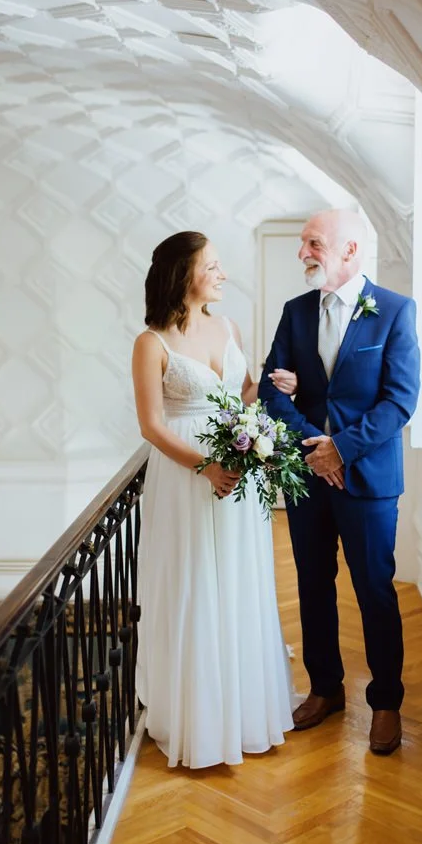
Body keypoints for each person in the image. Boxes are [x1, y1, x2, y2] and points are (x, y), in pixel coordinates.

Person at [132, 231, 298, 769]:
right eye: (213, 266)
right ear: (184, 274)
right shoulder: (151, 343)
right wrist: (207, 467)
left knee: (237, 579)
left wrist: (277, 390)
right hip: (186, 480)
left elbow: (242, 392)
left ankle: (244, 706)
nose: (223, 274)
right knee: (194, 582)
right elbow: (152, 427)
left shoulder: (228, 326)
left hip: (237, 477)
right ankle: (197, 717)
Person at [258, 209, 420, 755]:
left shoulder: (395, 311)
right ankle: (325, 689)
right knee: (312, 582)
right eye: (303, 242)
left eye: (313, 242)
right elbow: (270, 389)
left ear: (350, 250)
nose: (303, 252)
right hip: (308, 475)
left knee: (374, 590)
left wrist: (341, 448)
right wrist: (314, 447)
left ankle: (386, 702)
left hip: (368, 479)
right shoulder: (296, 312)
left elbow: (400, 400)